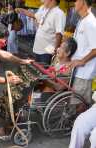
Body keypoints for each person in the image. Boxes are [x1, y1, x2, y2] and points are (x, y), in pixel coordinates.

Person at [0, 37, 78, 140]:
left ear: (67, 53)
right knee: (14, 86)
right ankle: (1, 114)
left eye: (61, 47)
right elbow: (46, 73)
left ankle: (8, 128)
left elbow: (59, 87)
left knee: (18, 94)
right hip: (41, 86)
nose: (58, 48)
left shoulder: (68, 68)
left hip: (49, 94)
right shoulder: (56, 60)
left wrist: (43, 79)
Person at [67, 0, 96, 148]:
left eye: (76, 0)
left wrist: (82, 61)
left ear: (83, 2)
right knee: (74, 102)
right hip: (77, 69)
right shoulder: (81, 20)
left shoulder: (91, 22)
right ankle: (76, 131)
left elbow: (95, 48)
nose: (73, 2)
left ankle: (80, 134)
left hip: (85, 72)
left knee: (80, 105)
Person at [16, 0, 66, 64]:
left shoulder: (59, 13)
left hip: (47, 52)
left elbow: (59, 34)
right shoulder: (44, 9)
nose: (43, 0)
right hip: (37, 49)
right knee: (38, 70)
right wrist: (22, 10)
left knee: (44, 71)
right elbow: (33, 15)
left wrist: (55, 52)